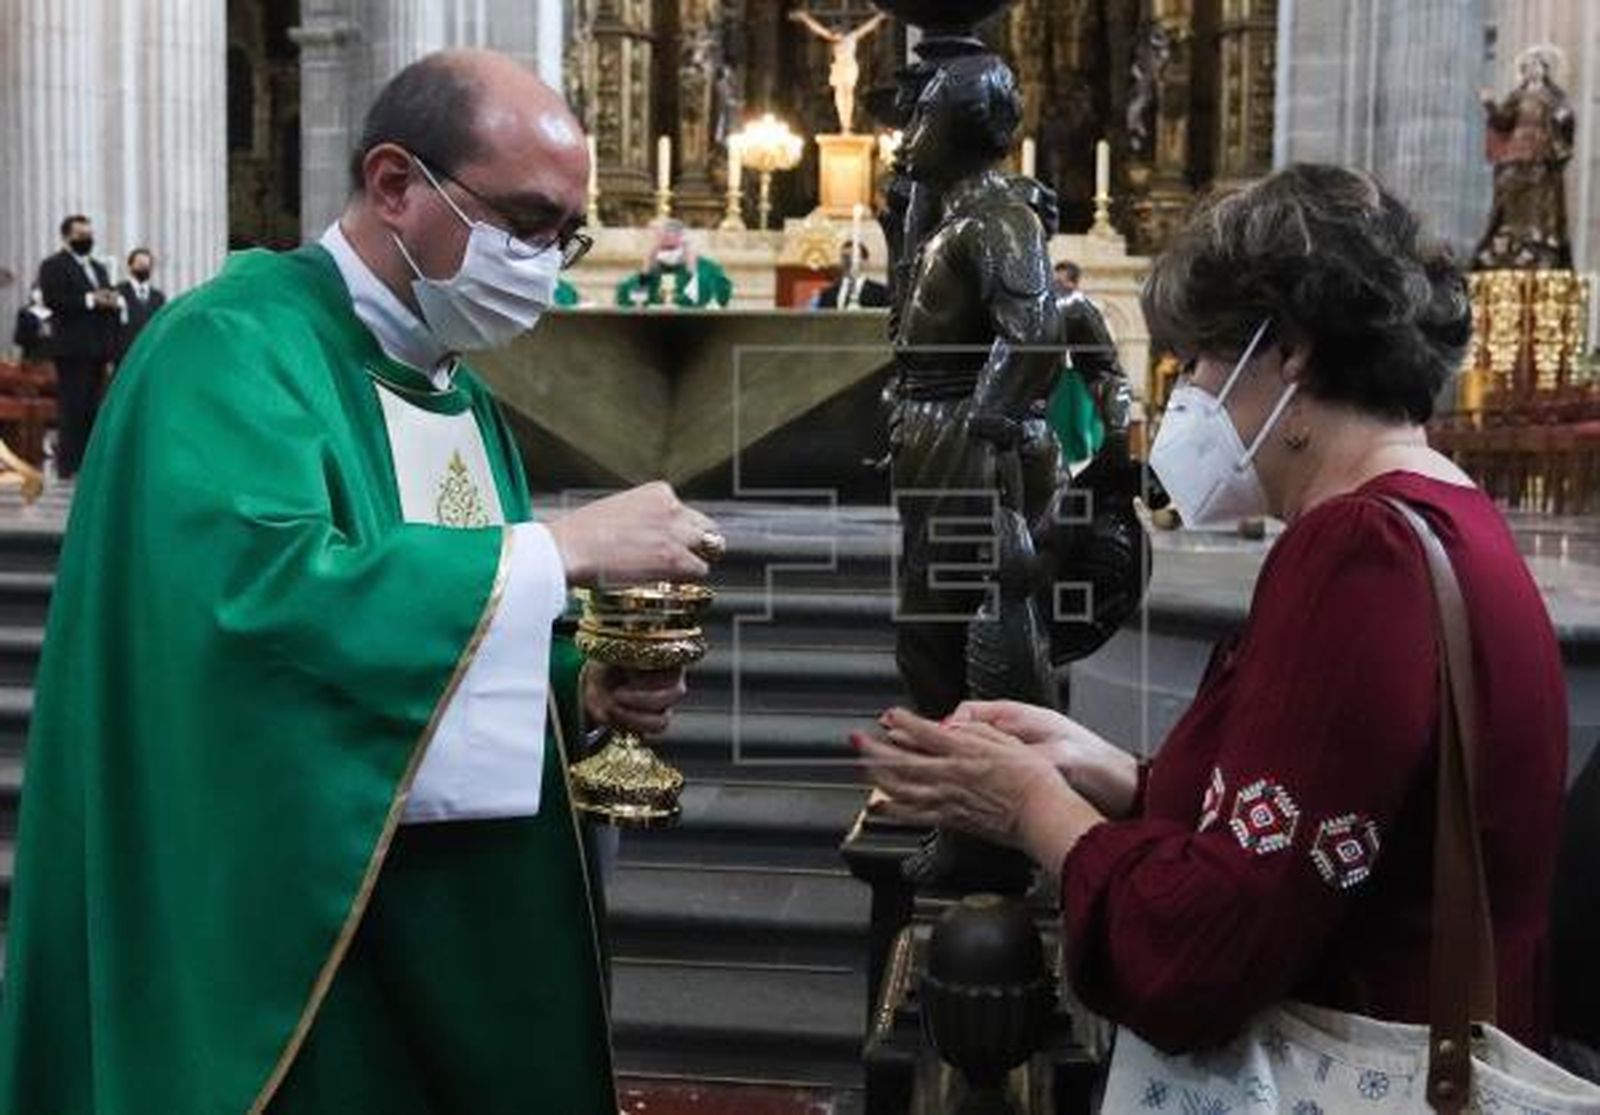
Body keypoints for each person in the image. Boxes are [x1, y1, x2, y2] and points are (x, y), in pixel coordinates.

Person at [0, 49, 717, 1115]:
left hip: (436, 927)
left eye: (565, 236)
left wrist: (581, 685)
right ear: (393, 184)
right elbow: (256, 608)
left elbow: (462, 632)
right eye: (525, 222)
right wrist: (559, 550)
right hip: (284, 923)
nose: (544, 265)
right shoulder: (229, 346)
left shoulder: (456, 394)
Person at [856, 164, 1567, 1055]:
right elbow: (1332, 819)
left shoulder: (1360, 552)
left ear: (1291, 350)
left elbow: (1201, 950)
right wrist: (1113, 773)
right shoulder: (1447, 511)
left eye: (1196, 361)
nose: (1185, 392)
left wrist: (1030, 804)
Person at [35, 214, 120, 480]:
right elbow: (54, 299)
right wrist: (91, 300)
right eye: (81, 235)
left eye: (89, 234)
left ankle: (88, 464)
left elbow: (106, 297)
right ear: (66, 237)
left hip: (98, 349)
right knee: (73, 407)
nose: (87, 239)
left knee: (93, 408)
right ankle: (68, 464)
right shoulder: (53, 265)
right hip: (72, 349)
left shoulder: (99, 268)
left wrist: (110, 299)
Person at [615, 219, 733, 308]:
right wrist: (646, 271)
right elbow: (632, 305)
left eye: (672, 247)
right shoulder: (647, 272)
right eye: (661, 247)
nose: (667, 252)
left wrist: (692, 270)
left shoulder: (709, 270)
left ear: (685, 243)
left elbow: (715, 301)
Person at [115, 246, 166, 360]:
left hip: (149, 354)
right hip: (124, 354)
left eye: (147, 265)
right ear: (130, 266)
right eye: (140, 264)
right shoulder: (118, 291)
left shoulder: (158, 297)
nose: (144, 268)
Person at [811, 240, 889, 309]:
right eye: (844, 257)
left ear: (866, 262)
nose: (848, 261)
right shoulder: (827, 294)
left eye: (853, 257)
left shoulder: (880, 292)